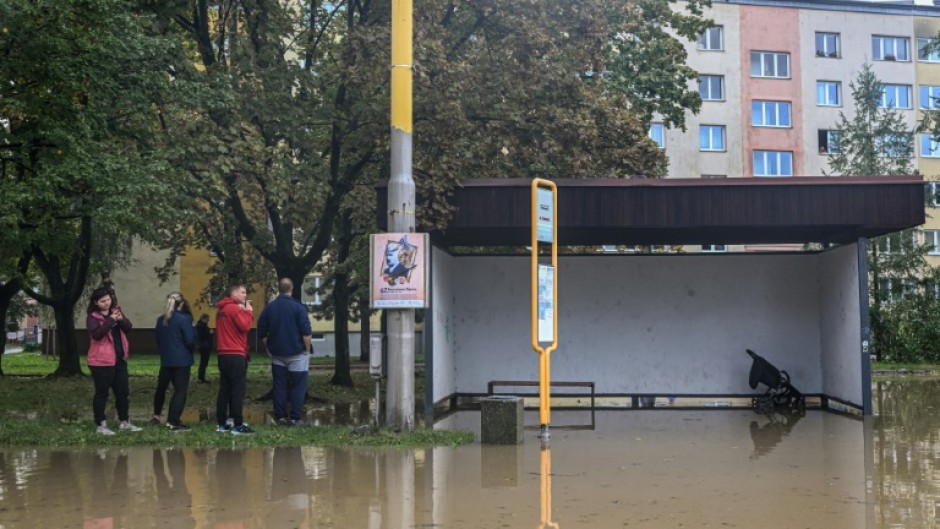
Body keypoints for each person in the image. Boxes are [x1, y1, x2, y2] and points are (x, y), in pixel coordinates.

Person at [86, 287, 142, 435]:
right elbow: (97, 335)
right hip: (101, 361)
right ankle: (101, 425)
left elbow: (129, 328)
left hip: (119, 359)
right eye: (103, 301)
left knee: (122, 392)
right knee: (102, 394)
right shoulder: (92, 317)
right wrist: (110, 320)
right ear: (96, 302)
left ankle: (125, 422)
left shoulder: (116, 312)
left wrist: (120, 319)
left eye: (108, 300)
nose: (106, 303)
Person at [258, 278, 312, 427]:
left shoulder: (270, 307)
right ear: (291, 289)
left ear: (279, 289)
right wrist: (307, 351)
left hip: (277, 355)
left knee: (279, 385)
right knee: (298, 386)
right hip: (297, 353)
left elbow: (261, 331)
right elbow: (306, 332)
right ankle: (295, 418)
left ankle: (281, 417)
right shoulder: (298, 307)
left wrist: (268, 347)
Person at [152, 292, 196, 432]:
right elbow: (190, 340)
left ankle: (157, 415)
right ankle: (173, 421)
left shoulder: (161, 320)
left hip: (166, 360)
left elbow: (158, 339)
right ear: (181, 303)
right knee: (180, 391)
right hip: (181, 360)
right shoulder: (184, 319)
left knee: (162, 389)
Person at [215, 284, 255, 435]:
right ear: (234, 293)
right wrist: (249, 312)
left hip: (223, 354)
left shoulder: (221, 310)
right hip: (235, 353)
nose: (245, 295)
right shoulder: (234, 308)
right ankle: (238, 425)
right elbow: (245, 326)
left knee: (224, 389)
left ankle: (222, 423)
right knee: (238, 390)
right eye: (243, 292)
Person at [195, 314, 213, 383]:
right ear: (204, 319)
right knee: (204, 362)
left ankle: (201, 376)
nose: (208, 320)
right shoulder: (203, 327)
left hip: (202, 346)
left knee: (203, 362)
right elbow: (204, 335)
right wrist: (210, 333)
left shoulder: (199, 326)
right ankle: (201, 377)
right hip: (205, 346)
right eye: (207, 319)